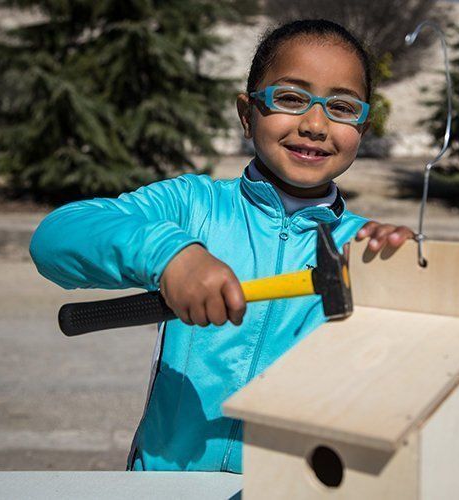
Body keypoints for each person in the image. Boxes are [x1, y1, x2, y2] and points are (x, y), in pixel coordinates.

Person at [29, 19, 415, 473]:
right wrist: (170, 255)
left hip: (288, 486)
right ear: (247, 114)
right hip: (166, 482)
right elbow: (55, 237)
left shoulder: (364, 248)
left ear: (363, 129)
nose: (315, 125)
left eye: (342, 107)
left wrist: (405, 274)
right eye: (290, 98)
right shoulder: (192, 206)